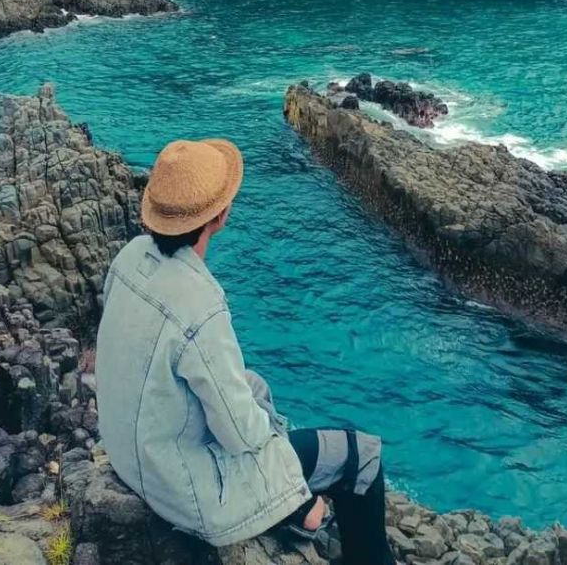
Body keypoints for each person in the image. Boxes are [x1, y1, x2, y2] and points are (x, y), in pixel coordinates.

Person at [95, 136, 396, 563]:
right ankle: (304, 513)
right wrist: (278, 455)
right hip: (185, 491)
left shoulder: (129, 257)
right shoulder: (201, 304)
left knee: (252, 385)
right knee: (362, 455)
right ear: (219, 215)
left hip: (133, 453)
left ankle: (292, 502)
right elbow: (241, 435)